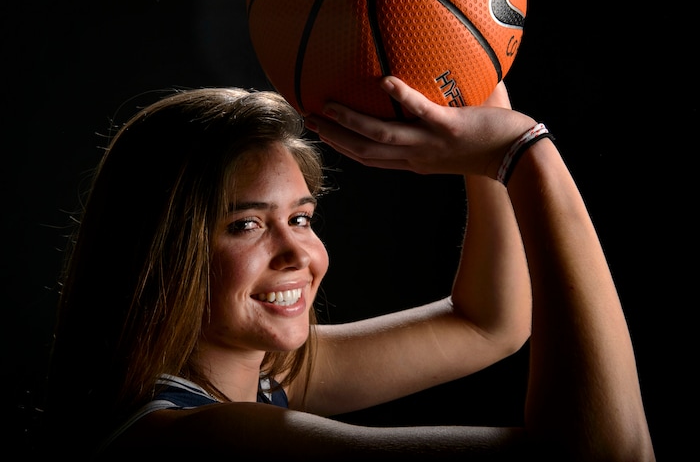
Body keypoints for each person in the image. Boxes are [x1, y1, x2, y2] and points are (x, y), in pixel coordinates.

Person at [41, 76, 655, 461]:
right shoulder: (202, 439)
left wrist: (474, 101)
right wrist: (525, 155)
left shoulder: (247, 376)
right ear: (160, 251)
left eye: (302, 218)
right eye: (246, 224)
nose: (298, 256)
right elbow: (605, 455)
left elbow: (487, 324)